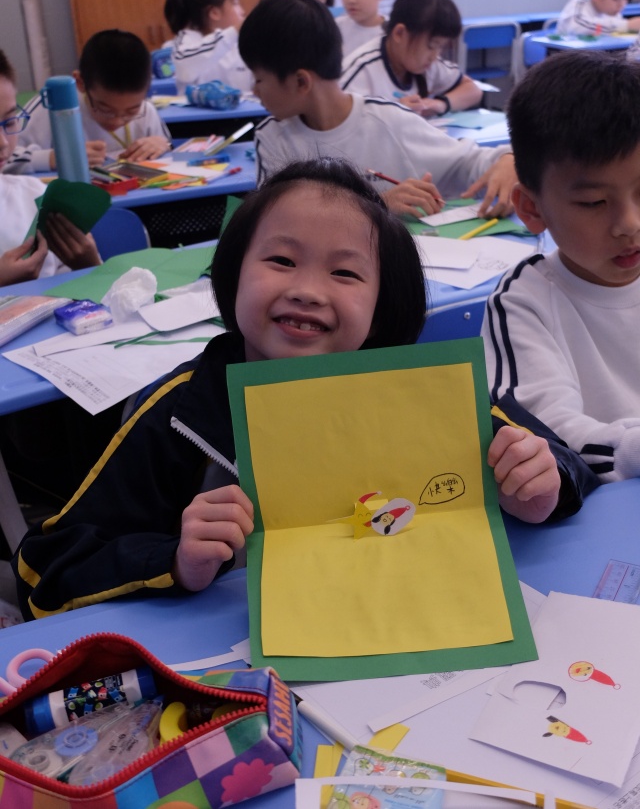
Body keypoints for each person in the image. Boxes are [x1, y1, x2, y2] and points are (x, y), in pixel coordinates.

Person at [12, 158, 591, 620]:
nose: (308, 290)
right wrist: (174, 560)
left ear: (381, 305)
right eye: (282, 260)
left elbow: (566, 463)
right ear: (234, 274)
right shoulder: (183, 414)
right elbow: (44, 571)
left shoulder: (417, 393)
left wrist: (540, 489)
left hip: (402, 633)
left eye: (345, 272)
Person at [482, 50, 640, 484]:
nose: (629, 224)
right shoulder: (524, 303)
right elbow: (546, 439)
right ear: (532, 209)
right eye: (594, 202)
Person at [239, 0, 516, 219]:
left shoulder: (389, 120)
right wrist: (376, 205)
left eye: (259, 79)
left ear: (301, 82)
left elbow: (468, 161)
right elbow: (279, 221)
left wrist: (507, 160)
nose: (254, 90)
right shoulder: (273, 139)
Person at [6, 31, 170, 175]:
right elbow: (5, 157)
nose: (117, 121)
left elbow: (168, 147)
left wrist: (162, 143)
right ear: (80, 82)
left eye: (131, 112)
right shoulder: (53, 106)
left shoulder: (146, 110)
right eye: (105, 110)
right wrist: (54, 158)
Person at [0, 49, 100, 284]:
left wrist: (89, 266)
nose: (3, 142)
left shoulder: (36, 197)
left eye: (9, 121)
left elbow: (90, 296)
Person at [341, 0, 481, 118]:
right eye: (431, 46)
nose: (434, 56)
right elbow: (336, 121)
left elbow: (473, 90)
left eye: (440, 47)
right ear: (399, 33)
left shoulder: (427, 66)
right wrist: (393, 113)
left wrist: (441, 104)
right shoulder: (362, 70)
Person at [164, 0, 252, 95]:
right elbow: (183, 66)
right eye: (235, 3)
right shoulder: (187, 40)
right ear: (214, 13)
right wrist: (235, 31)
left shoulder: (238, 43)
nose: (242, 11)